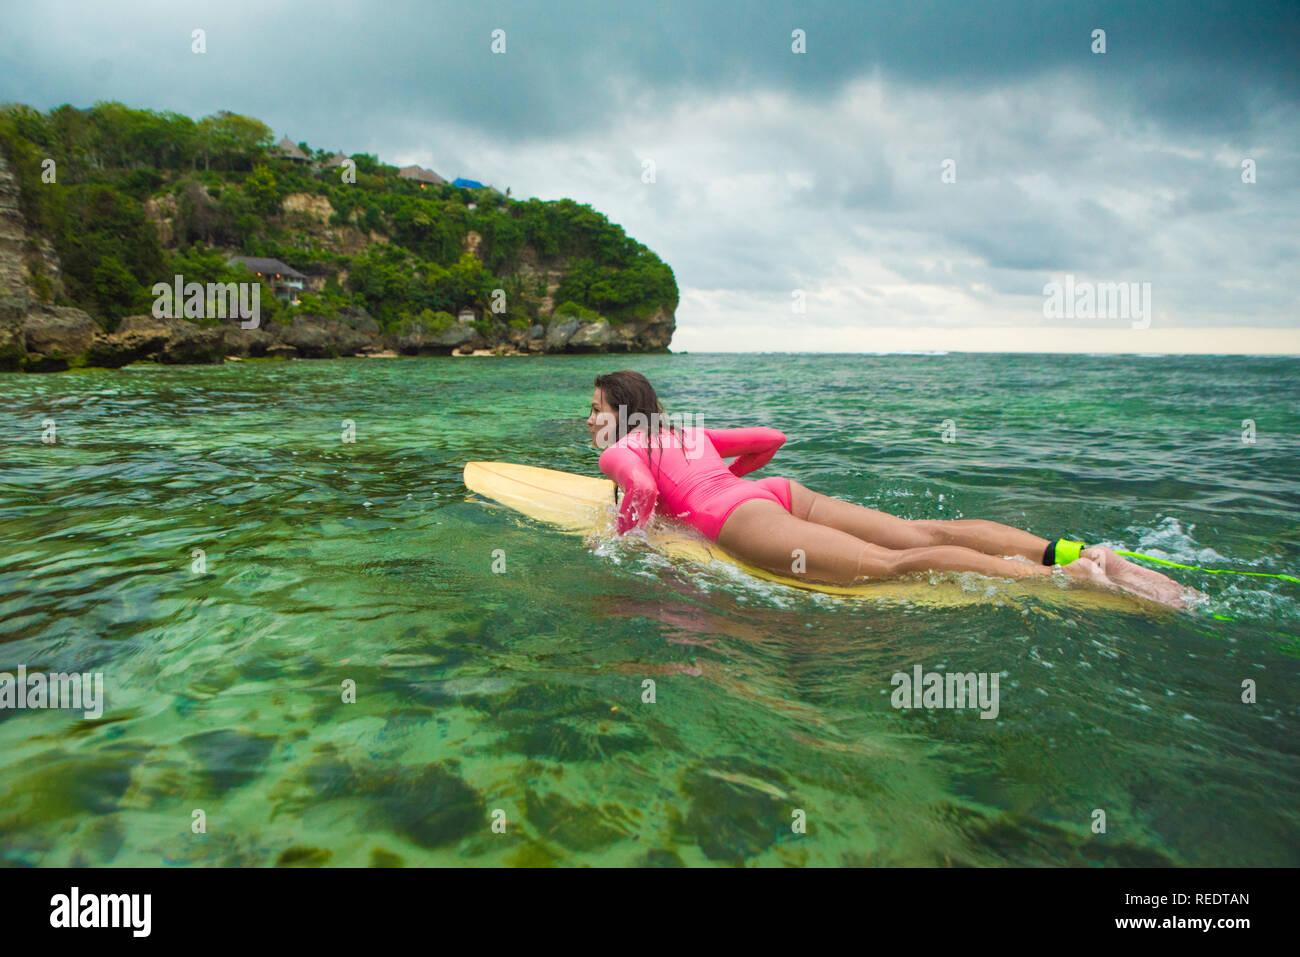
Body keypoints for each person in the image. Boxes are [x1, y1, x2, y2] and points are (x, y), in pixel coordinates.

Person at [587, 370, 1191, 608]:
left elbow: (637, 486)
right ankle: (1064, 552)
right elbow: (770, 438)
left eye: (594, 410)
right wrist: (721, 483)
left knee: (894, 565)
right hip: (779, 492)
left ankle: (1074, 579)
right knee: (925, 532)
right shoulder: (688, 432)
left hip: (739, 517)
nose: (590, 421)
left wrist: (627, 540)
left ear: (619, 411)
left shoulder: (619, 448)